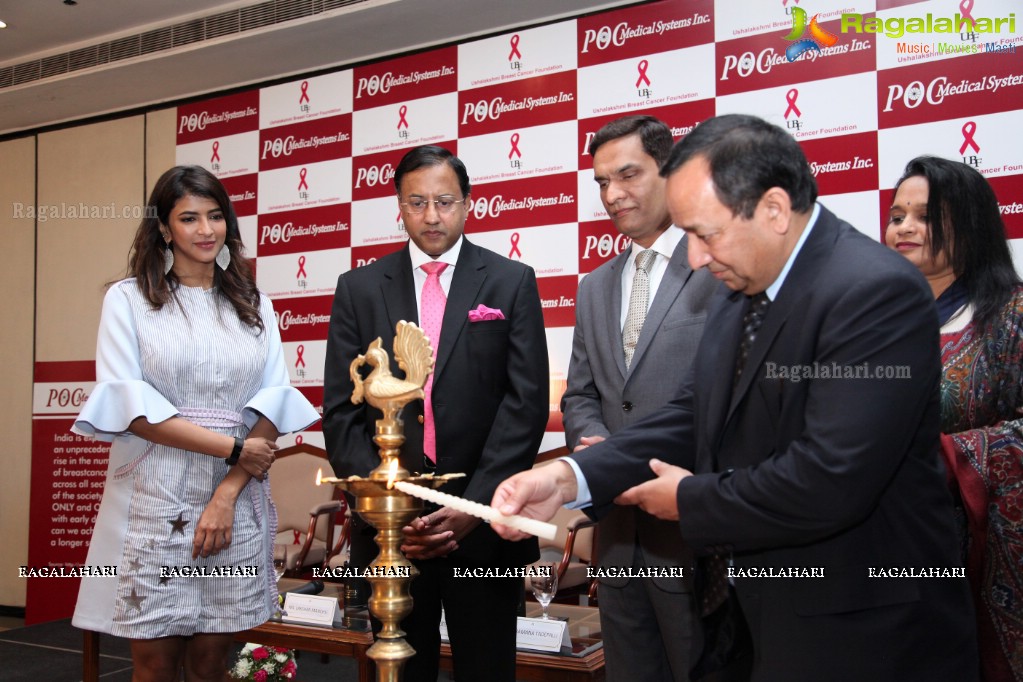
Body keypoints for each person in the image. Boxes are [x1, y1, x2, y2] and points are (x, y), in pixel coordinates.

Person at [490, 114, 979, 682]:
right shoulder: (737, 287)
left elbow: (832, 476)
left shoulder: (874, 291)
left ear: (772, 209)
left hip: (862, 626)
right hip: (751, 613)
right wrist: (571, 477)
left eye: (705, 233)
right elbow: (694, 413)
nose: (694, 258)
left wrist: (690, 499)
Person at [71, 165, 319, 682]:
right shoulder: (129, 300)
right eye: (188, 218)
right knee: (154, 663)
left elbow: (273, 404)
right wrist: (233, 450)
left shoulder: (255, 305)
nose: (206, 230)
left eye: (215, 216)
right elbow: (133, 411)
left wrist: (227, 492)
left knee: (211, 662)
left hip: (234, 497)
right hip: (154, 492)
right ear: (163, 228)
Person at [322, 145, 549, 682]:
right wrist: (389, 510)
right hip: (391, 534)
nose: (431, 215)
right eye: (416, 202)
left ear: (468, 204)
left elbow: (525, 405)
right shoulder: (358, 288)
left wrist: (474, 506)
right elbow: (341, 409)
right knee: (398, 669)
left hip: (483, 526)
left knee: (487, 668)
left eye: (444, 201)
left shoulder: (510, 281)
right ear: (399, 207)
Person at [562, 115, 716, 682]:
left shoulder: (717, 268)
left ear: (669, 170)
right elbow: (582, 392)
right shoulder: (594, 286)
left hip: (694, 525)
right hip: (616, 532)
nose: (612, 195)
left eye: (627, 175)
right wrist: (593, 445)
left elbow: (723, 397)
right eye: (601, 182)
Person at [886, 155, 1023, 682]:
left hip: (971, 553)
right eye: (897, 214)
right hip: (883, 542)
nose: (904, 227)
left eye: (924, 215)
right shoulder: (873, 319)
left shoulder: (1010, 316)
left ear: (970, 222)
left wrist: (952, 457)